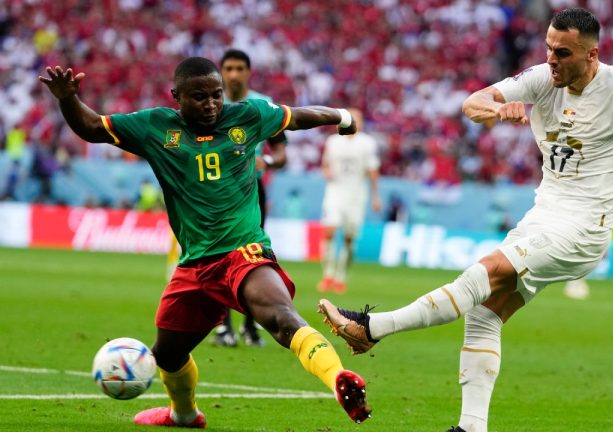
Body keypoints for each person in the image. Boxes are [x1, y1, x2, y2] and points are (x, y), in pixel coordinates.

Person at [317, 8, 613, 432]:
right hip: (543, 216)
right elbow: (473, 103)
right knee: (484, 315)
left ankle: (373, 328)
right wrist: (496, 109)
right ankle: (472, 426)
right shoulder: (540, 78)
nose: (551, 58)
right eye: (549, 47)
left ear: (592, 55)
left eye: (562, 52)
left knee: (489, 270)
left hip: (584, 228)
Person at [39, 57, 371, 428]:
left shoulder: (248, 115)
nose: (211, 104)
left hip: (244, 254)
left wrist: (341, 116)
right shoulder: (156, 126)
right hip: (195, 266)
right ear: (176, 97)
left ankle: (338, 378)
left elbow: (300, 116)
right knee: (167, 355)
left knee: (282, 319)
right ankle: (185, 415)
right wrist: (67, 98)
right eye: (199, 97)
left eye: (215, 95)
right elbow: (91, 127)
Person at [207, 48, 289, 348]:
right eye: (228, 68)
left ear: (248, 72)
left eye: (239, 68)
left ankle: (251, 326)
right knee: (218, 258)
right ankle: (223, 327)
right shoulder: (209, 104)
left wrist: (266, 161)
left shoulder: (261, 105)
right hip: (213, 192)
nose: (234, 74)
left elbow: (281, 151)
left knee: (255, 257)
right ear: (221, 72)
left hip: (251, 191)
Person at [317, 108, 381, 294]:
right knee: (329, 231)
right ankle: (328, 275)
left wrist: (376, 197)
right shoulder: (333, 141)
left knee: (349, 239)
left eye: (357, 119)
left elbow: (373, 171)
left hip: (356, 196)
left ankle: (341, 277)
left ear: (361, 123)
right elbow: (325, 163)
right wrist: (326, 171)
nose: (354, 122)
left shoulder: (367, 143)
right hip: (335, 192)